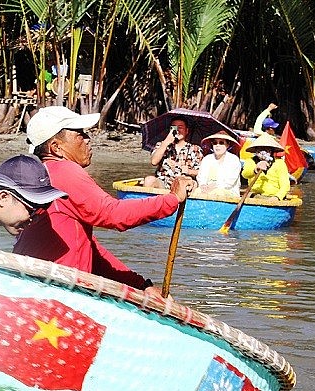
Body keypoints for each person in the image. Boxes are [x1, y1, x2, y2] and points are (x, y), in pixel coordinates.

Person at [13, 106, 196, 294]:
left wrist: (142, 286)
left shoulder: (41, 173)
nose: (87, 139)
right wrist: (172, 199)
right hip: (57, 292)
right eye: (80, 135)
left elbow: (92, 252)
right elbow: (114, 214)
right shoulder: (63, 172)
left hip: (39, 286)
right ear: (56, 148)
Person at [143, 116, 203, 189]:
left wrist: (189, 171)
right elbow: (154, 162)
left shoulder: (195, 149)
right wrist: (166, 142)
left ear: (186, 131)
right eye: (174, 128)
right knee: (149, 180)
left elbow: (201, 171)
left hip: (183, 185)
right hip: (164, 183)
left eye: (180, 127)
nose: (177, 130)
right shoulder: (162, 145)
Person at [241, 134, 291, 200]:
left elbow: (285, 185)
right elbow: (245, 174)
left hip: (274, 197)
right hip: (255, 196)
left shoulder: (279, 163)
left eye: (266, 149)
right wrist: (255, 169)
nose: (263, 151)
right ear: (256, 150)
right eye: (260, 148)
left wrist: (277, 197)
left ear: (271, 150)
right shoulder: (250, 161)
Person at [194, 132, 242, 198]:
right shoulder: (207, 159)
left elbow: (230, 181)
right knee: (197, 192)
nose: (217, 145)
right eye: (215, 143)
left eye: (221, 143)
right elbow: (201, 177)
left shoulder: (233, 159)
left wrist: (214, 186)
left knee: (216, 193)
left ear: (227, 145)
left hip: (228, 191)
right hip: (206, 190)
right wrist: (203, 185)